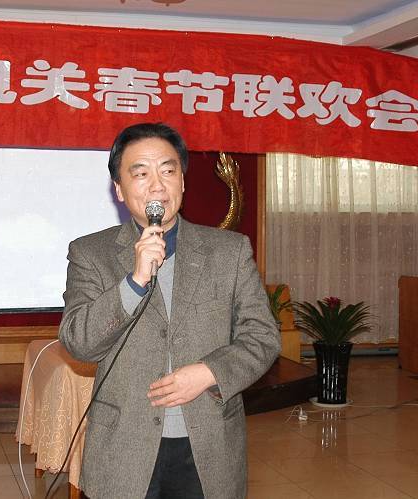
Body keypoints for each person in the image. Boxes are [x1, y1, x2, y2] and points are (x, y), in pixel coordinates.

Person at [58, 123, 280, 499]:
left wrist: (209, 372)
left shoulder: (229, 251)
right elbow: (79, 343)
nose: (157, 185)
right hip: (123, 449)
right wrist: (134, 281)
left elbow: (263, 337)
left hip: (208, 446)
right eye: (141, 173)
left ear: (183, 182)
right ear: (119, 189)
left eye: (167, 170)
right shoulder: (90, 253)